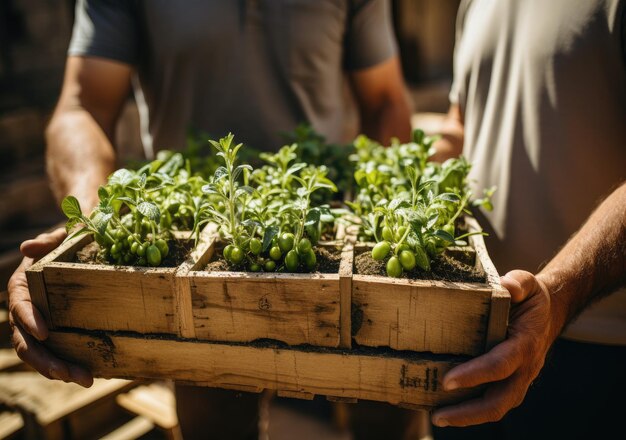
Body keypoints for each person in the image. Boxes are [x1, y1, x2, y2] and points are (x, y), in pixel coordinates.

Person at [7, 1, 412, 438]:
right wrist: (90, 226)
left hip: (323, 231)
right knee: (216, 424)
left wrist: (385, 208)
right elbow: (83, 104)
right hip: (191, 251)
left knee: (383, 415)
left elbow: (386, 99)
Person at [429, 0, 626, 438]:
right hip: (470, 331)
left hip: (592, 348)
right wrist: (416, 176)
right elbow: (465, 118)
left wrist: (556, 296)